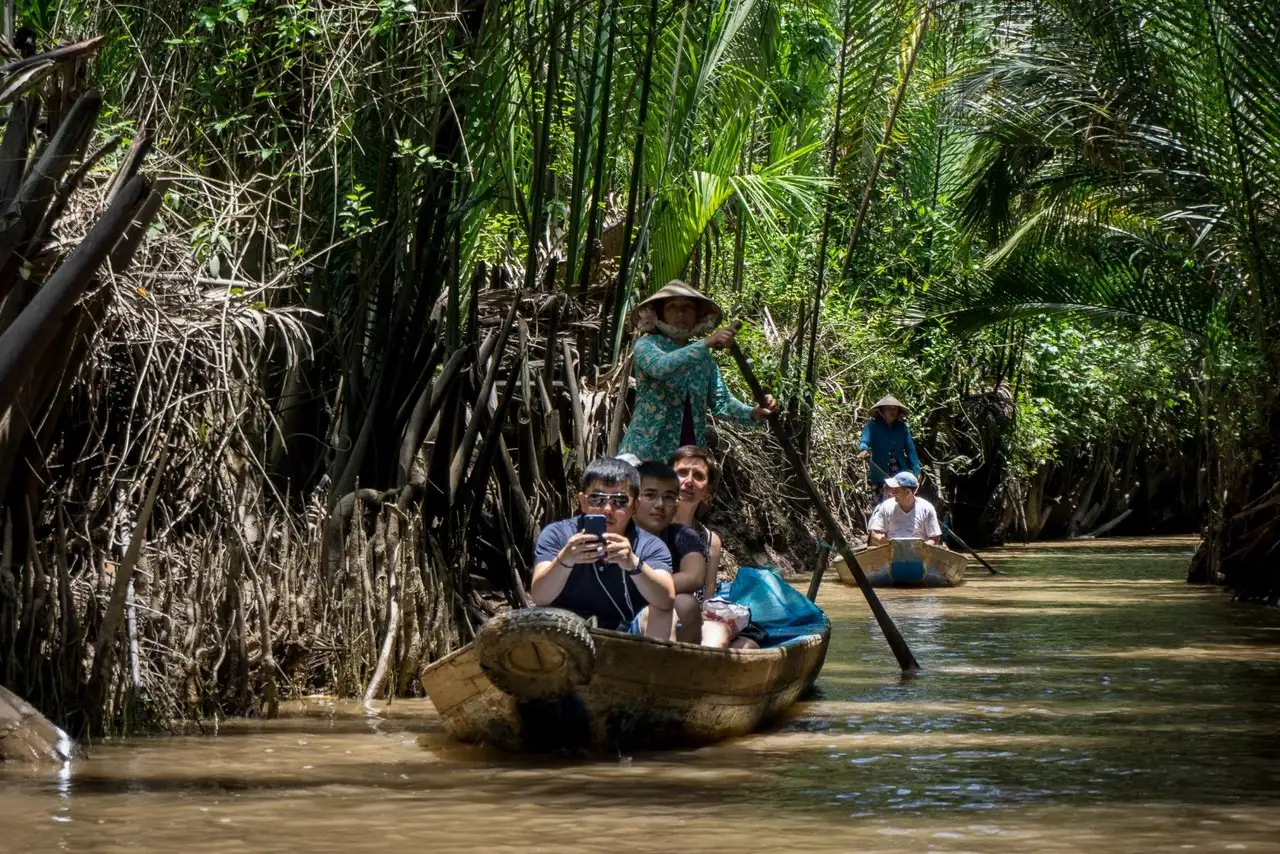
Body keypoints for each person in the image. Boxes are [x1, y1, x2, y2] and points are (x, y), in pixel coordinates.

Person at [618, 280, 777, 464]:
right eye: (672, 307)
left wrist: (753, 413)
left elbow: (722, 402)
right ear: (658, 313)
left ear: (697, 315)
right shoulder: (647, 345)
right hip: (646, 452)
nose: (680, 313)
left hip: (688, 458)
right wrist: (705, 343)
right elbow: (660, 366)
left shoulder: (704, 360)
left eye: (688, 307)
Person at [530, 458, 676, 638]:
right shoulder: (558, 535)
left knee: (663, 613)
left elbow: (666, 600)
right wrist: (564, 560)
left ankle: (652, 666)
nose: (607, 509)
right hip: (565, 628)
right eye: (597, 499)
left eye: (619, 500)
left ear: (635, 505)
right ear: (583, 501)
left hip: (627, 632)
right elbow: (540, 597)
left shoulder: (650, 546)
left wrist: (633, 564)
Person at [632, 461, 709, 643]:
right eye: (650, 495)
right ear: (633, 500)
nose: (660, 504)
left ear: (676, 505)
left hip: (662, 612)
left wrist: (643, 585)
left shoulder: (682, 535)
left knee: (686, 604)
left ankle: (678, 668)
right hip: (614, 615)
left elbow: (694, 577)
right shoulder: (617, 531)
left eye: (668, 498)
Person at [670, 445, 722, 601]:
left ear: (706, 490)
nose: (689, 481)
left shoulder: (711, 541)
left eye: (698, 476)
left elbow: (707, 596)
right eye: (682, 473)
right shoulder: (650, 526)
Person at [858, 395, 922, 503]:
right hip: (879, 472)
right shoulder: (872, 425)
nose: (892, 411)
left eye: (895, 409)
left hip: (899, 473)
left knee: (899, 504)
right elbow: (864, 441)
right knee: (880, 505)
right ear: (881, 410)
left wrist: (916, 469)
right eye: (889, 408)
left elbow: (910, 449)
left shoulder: (902, 427)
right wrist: (863, 450)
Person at [867, 472, 942, 547]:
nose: (893, 492)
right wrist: (893, 546)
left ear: (908, 492)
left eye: (896, 489)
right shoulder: (886, 506)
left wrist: (919, 549)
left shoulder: (927, 509)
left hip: (918, 557)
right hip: (891, 555)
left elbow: (934, 538)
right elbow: (875, 534)